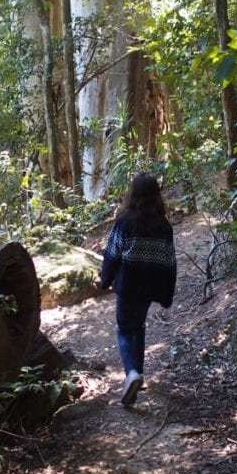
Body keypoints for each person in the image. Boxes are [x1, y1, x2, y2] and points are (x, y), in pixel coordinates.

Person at [99, 172, 177, 406]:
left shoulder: (124, 222)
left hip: (127, 285)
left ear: (133, 194)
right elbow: (169, 262)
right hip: (148, 287)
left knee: (124, 329)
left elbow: (112, 254)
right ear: (156, 196)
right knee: (139, 327)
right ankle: (138, 375)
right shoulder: (164, 227)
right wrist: (167, 294)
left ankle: (132, 372)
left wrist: (105, 280)